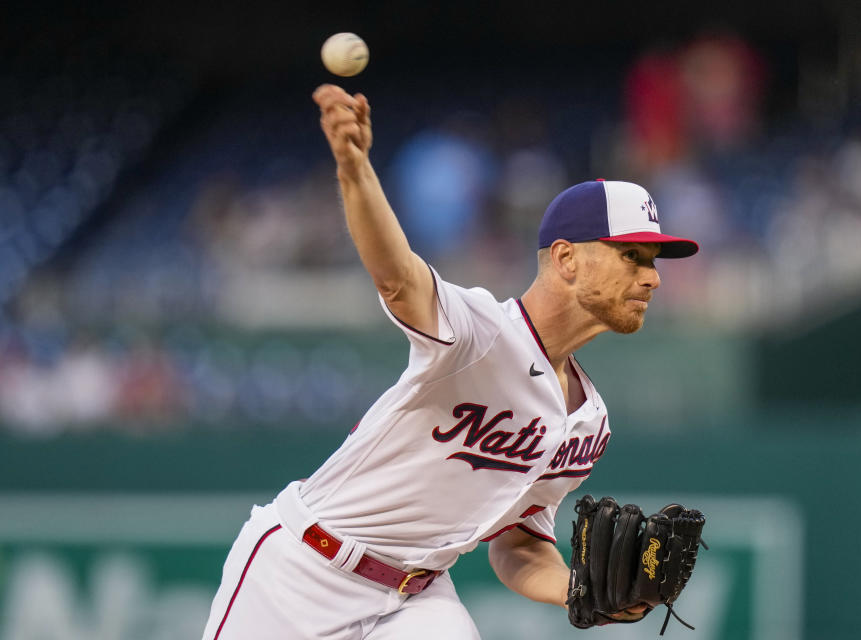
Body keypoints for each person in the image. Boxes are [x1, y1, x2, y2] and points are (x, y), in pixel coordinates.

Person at [201, 84, 699, 640]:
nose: (651, 276)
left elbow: (517, 544)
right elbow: (397, 276)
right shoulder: (481, 331)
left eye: (652, 260)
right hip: (302, 569)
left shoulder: (589, 424)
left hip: (416, 598)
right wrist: (354, 170)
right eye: (631, 256)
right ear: (566, 259)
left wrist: (578, 590)